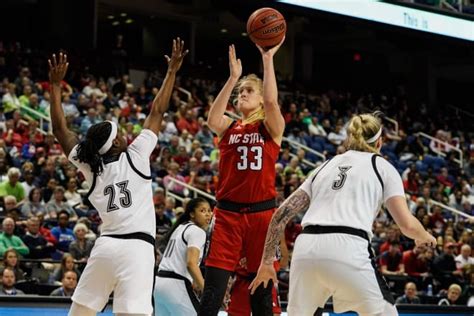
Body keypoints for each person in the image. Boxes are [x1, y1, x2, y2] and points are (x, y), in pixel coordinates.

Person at [48, 39, 187, 316]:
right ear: (114, 144)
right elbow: (157, 111)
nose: (125, 135)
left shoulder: (91, 166)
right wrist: (171, 72)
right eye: (119, 134)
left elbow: (60, 131)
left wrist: (54, 86)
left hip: (106, 246)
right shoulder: (136, 155)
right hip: (136, 249)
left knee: (80, 312)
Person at [250, 112, 436, 316]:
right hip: (348, 247)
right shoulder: (382, 166)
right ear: (380, 143)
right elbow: (407, 225)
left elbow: (280, 215)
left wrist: (267, 262)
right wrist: (424, 236)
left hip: (306, 250)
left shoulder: (324, 166)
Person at [198, 40, 285, 316]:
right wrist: (232, 78)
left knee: (261, 298)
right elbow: (212, 118)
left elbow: (272, 100)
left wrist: (268, 58)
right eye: (240, 92)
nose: (242, 94)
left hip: (262, 216)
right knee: (212, 294)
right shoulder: (229, 127)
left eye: (249, 91)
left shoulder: (271, 127)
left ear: (260, 98)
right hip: (227, 216)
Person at [154, 198, 212, 316]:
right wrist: (206, 290)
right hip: (176, 284)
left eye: (209, 211)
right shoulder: (197, 231)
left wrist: (195, 281)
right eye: (202, 210)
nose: (208, 214)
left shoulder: (179, 228)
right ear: (192, 214)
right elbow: (191, 264)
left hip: (159, 283)